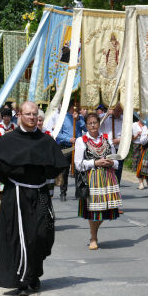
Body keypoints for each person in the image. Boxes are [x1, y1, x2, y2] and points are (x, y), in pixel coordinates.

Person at [0, 101, 68, 296]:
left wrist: (44, 169)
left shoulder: (45, 141)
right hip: (17, 192)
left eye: (34, 114)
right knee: (22, 237)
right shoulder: (8, 140)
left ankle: (34, 272)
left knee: (42, 234)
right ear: (20, 115)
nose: (32, 117)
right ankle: (23, 280)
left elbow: (57, 164)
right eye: (28, 114)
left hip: (40, 192)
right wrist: (17, 171)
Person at [74, 113, 122, 250]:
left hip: (108, 178)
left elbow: (117, 161)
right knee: (95, 210)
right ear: (86, 125)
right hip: (92, 178)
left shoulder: (107, 139)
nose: (93, 125)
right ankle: (93, 237)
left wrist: (111, 162)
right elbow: (78, 164)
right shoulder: (81, 140)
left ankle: (93, 234)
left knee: (106, 210)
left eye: (95, 122)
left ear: (99, 123)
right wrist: (95, 162)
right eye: (90, 123)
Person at [56, 101, 85, 201]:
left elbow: (86, 128)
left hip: (77, 147)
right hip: (66, 147)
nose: (79, 110)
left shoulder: (80, 118)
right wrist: (68, 139)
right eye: (78, 108)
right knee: (64, 171)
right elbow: (58, 134)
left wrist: (78, 120)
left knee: (78, 170)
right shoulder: (63, 118)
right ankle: (63, 192)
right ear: (72, 107)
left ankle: (78, 192)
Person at [99, 103, 124, 182]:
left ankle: (116, 187)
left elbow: (129, 135)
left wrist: (120, 140)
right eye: (116, 111)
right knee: (107, 168)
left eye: (120, 111)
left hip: (119, 148)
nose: (118, 113)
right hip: (106, 148)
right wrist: (107, 114)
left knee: (118, 169)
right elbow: (97, 124)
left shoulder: (124, 119)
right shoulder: (104, 117)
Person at [132, 118, 148, 190]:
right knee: (137, 163)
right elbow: (131, 138)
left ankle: (145, 180)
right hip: (137, 145)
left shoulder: (147, 125)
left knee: (144, 164)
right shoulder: (134, 125)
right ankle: (140, 182)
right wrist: (137, 135)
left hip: (146, 145)